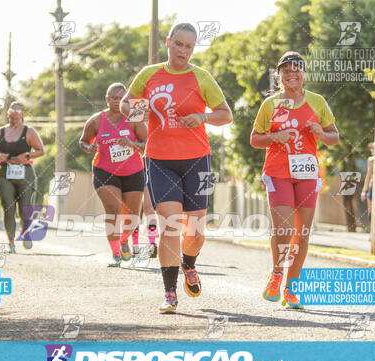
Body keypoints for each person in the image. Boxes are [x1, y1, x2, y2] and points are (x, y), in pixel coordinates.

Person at [120, 22, 233, 314]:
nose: (183, 50)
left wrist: (202, 117)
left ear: (193, 48)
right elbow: (125, 105)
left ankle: (189, 264)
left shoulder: (201, 77)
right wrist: (141, 111)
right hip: (159, 159)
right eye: (178, 44)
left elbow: (226, 114)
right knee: (170, 224)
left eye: (189, 46)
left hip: (198, 160)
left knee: (195, 230)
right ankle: (169, 293)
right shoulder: (149, 74)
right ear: (168, 42)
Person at [251, 51, 339, 309]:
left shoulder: (317, 102)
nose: (291, 74)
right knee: (284, 229)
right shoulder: (271, 105)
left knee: (302, 232)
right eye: (286, 70)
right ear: (279, 76)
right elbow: (255, 139)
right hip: (278, 171)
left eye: (296, 69)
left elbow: (334, 137)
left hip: (307, 173)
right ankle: (277, 272)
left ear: (303, 74)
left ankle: (291, 288)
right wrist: (274, 138)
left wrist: (321, 132)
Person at [80, 82, 147, 267]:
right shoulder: (96, 120)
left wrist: (132, 144)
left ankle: (125, 239)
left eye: (122, 98)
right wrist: (89, 147)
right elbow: (83, 141)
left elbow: (147, 144)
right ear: (107, 100)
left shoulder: (135, 117)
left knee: (132, 216)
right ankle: (116, 253)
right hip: (105, 171)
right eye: (114, 98)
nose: (118, 102)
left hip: (133, 171)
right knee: (112, 209)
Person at [0, 102, 44, 254]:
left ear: (22, 116)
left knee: (25, 208)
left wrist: (27, 155)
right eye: (11, 116)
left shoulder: (29, 132)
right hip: (5, 172)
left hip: (25, 172)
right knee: (8, 206)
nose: (13, 118)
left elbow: (41, 151)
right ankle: (11, 242)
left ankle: (26, 232)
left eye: (16, 116)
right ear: (7, 115)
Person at [132, 187, 158, 259]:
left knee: (134, 212)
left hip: (135, 178)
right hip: (150, 178)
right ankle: (152, 244)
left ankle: (135, 247)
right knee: (149, 211)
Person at [361, 142, 375, 216]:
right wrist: (364, 191)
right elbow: (368, 175)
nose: (372, 150)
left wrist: (364, 191)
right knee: (371, 212)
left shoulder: (373, 160)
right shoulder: (371, 160)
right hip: (373, 186)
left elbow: (369, 175)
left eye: (373, 148)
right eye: (371, 148)